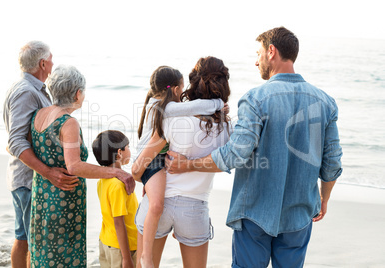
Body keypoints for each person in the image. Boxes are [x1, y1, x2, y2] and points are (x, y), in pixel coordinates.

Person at [166, 27, 343, 268]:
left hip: (254, 213)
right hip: (299, 214)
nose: (256, 61)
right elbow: (332, 162)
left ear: (272, 51)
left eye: (258, 53)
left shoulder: (255, 99)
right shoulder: (325, 102)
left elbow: (235, 154)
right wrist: (324, 198)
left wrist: (186, 165)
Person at [29, 65, 135, 267]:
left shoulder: (38, 115)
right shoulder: (68, 123)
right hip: (62, 202)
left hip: (41, 194)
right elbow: (74, 166)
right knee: (63, 256)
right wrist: (114, 171)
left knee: (43, 253)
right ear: (78, 93)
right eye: (83, 92)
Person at [133, 56, 231, 268]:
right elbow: (226, 162)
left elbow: (140, 165)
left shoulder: (171, 118)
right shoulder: (226, 126)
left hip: (158, 203)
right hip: (194, 208)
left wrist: (141, 177)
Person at [3, 41, 80, 268]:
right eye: (51, 60)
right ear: (43, 63)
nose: (53, 64)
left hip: (22, 176)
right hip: (28, 179)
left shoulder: (27, 88)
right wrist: (47, 172)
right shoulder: (26, 92)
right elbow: (15, 141)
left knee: (24, 237)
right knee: (30, 240)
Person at [92, 130, 139, 268]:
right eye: (128, 147)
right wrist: (126, 258)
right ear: (119, 153)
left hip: (107, 242)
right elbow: (119, 222)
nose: (130, 150)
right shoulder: (118, 185)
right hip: (123, 248)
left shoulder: (103, 180)